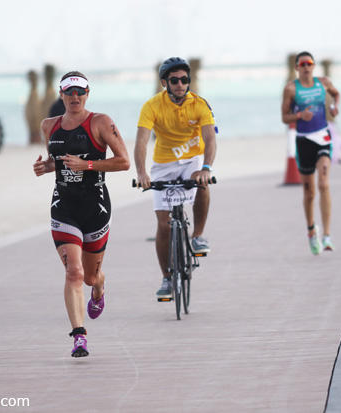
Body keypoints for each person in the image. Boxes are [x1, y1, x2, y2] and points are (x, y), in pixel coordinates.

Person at [33, 71, 130, 357]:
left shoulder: (100, 122)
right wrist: (47, 167)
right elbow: (59, 162)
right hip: (64, 206)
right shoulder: (49, 125)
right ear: (61, 94)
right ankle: (79, 336)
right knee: (73, 272)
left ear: (88, 94)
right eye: (69, 92)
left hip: (95, 207)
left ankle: (99, 288)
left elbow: (124, 162)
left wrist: (87, 166)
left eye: (80, 92)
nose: (75, 97)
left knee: (89, 277)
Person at [134, 57, 217, 300]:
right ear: (164, 83)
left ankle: (197, 236)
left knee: (202, 183)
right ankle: (167, 278)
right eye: (174, 80)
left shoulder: (199, 104)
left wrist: (206, 168)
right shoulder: (152, 106)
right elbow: (141, 142)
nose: (180, 84)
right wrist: (142, 173)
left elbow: (210, 139)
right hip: (164, 164)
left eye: (184, 79)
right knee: (163, 225)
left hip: (192, 159)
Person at [281, 51, 340, 255]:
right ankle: (311, 231)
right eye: (302, 64)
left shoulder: (323, 83)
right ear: (297, 67)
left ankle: (327, 236)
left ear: (314, 66)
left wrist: (334, 107)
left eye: (309, 63)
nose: (306, 67)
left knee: (324, 183)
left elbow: (336, 94)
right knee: (309, 191)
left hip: (322, 136)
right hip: (304, 140)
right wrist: (299, 115)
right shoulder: (291, 89)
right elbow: (284, 117)